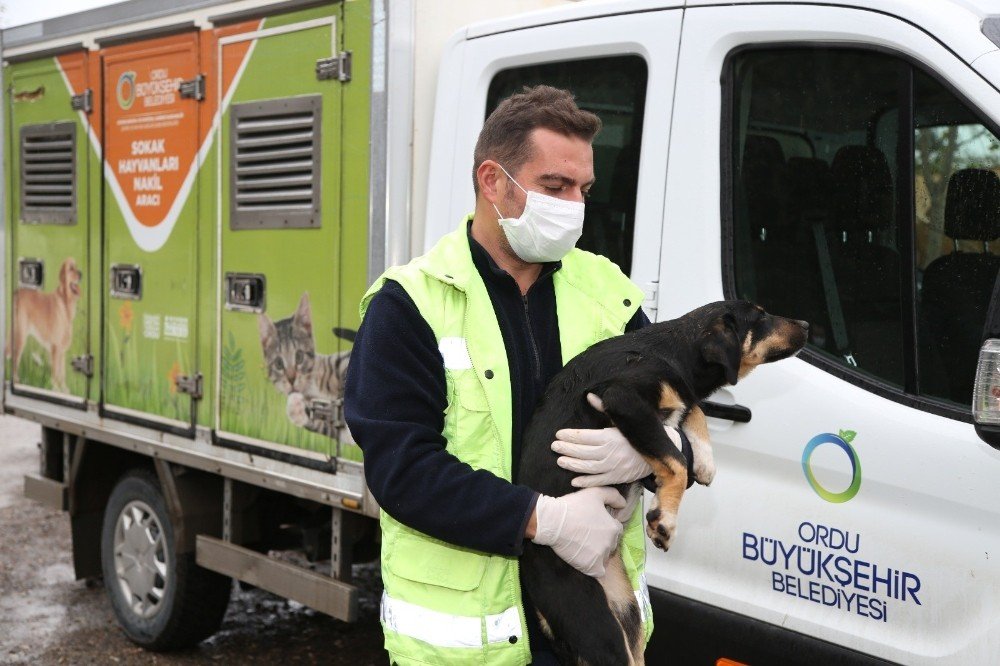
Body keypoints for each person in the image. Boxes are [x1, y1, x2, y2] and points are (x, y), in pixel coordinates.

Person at [345, 85, 688, 665]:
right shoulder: (412, 304)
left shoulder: (608, 294)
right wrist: (542, 519)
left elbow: (673, 405)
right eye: (554, 187)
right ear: (492, 179)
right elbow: (401, 469)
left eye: (583, 189)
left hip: (595, 637)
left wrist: (655, 452)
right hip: (470, 648)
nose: (573, 204)